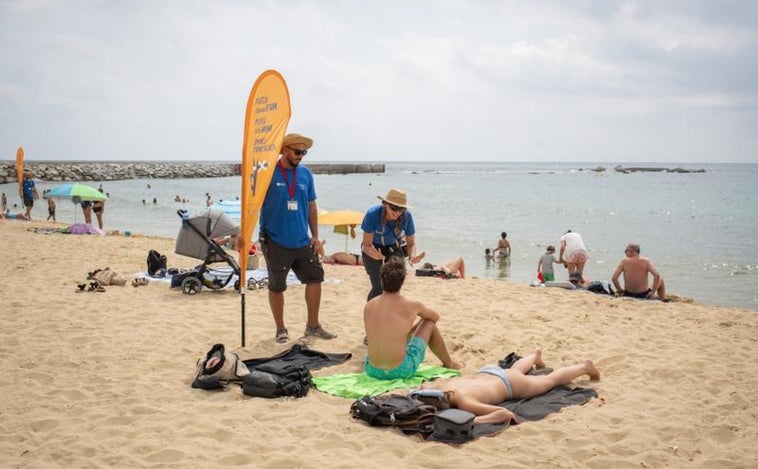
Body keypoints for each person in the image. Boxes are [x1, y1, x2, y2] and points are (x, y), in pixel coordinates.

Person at [259, 133, 335, 344]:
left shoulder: (306, 174)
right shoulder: (268, 173)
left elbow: (311, 206)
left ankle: (313, 326)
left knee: (316, 278)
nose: (301, 156)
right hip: (275, 241)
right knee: (277, 286)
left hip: (303, 240)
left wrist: (316, 237)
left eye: (304, 152)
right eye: (297, 151)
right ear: (284, 149)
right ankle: (281, 329)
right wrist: (245, 235)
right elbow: (252, 204)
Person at [418, 348, 600, 424]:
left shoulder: (466, 401)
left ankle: (584, 367)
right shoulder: (446, 385)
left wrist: (474, 420)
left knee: (550, 381)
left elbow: (505, 414)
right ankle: (535, 355)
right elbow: (423, 386)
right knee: (514, 371)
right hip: (489, 372)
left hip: (508, 383)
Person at [364, 258, 462, 379]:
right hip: (400, 371)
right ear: (402, 281)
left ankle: (448, 362)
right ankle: (449, 363)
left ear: (381, 279)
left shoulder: (369, 305)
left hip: (372, 370)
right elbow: (435, 317)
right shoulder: (411, 304)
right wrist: (416, 325)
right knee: (429, 323)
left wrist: (408, 331)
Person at [361, 188, 425, 301]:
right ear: (385, 204)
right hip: (373, 249)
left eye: (401, 209)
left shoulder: (407, 216)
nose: (397, 212)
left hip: (393, 249)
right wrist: (376, 256)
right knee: (378, 288)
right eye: (394, 208)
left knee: (394, 286)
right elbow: (366, 245)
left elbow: (411, 244)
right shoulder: (372, 214)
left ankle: (390, 314)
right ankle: (371, 313)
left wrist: (412, 256)